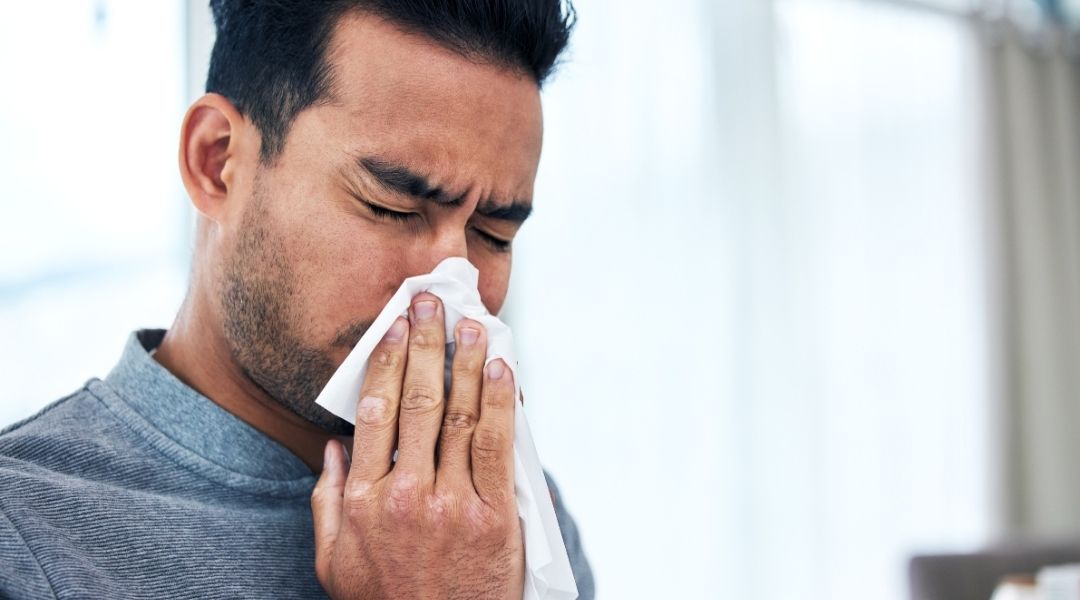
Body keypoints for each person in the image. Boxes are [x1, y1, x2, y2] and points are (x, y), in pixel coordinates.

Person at [0, 1, 594, 598]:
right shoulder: (23, 534)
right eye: (390, 207)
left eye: (493, 235)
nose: (444, 292)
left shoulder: (504, 518)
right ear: (216, 163)